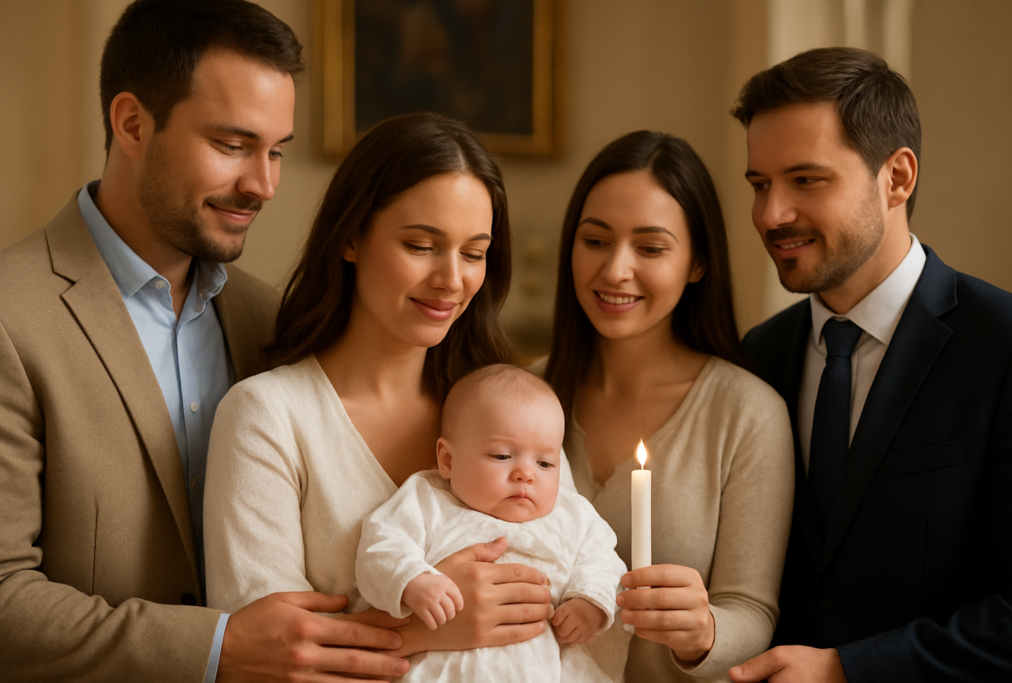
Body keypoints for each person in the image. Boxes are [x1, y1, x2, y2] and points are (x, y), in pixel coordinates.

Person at [0, 1, 397, 681]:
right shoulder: (12, 315)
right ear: (132, 123)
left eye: (276, 151)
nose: (263, 184)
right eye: (233, 145)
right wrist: (218, 646)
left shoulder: (272, 320)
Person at [204, 112, 558, 672]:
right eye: (421, 245)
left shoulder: (510, 409)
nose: (451, 279)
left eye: (473, 253)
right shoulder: (267, 416)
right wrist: (423, 629)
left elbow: (560, 600)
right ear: (351, 236)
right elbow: (267, 658)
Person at [727, 47, 1012, 683]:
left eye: (806, 180)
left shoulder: (1009, 346)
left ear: (897, 177)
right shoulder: (759, 355)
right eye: (759, 184)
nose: (770, 214)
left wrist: (848, 670)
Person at [540, 130, 795, 682]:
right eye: (596, 240)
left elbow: (751, 610)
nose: (614, 270)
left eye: (650, 248)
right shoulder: (520, 393)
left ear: (697, 263)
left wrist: (702, 631)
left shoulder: (747, 415)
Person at [355, 364, 629, 682]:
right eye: (501, 456)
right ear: (448, 460)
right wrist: (413, 581)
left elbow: (604, 561)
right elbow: (381, 544)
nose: (526, 473)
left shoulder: (572, 515)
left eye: (544, 463)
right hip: (445, 669)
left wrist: (588, 602)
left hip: (545, 666)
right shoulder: (427, 500)